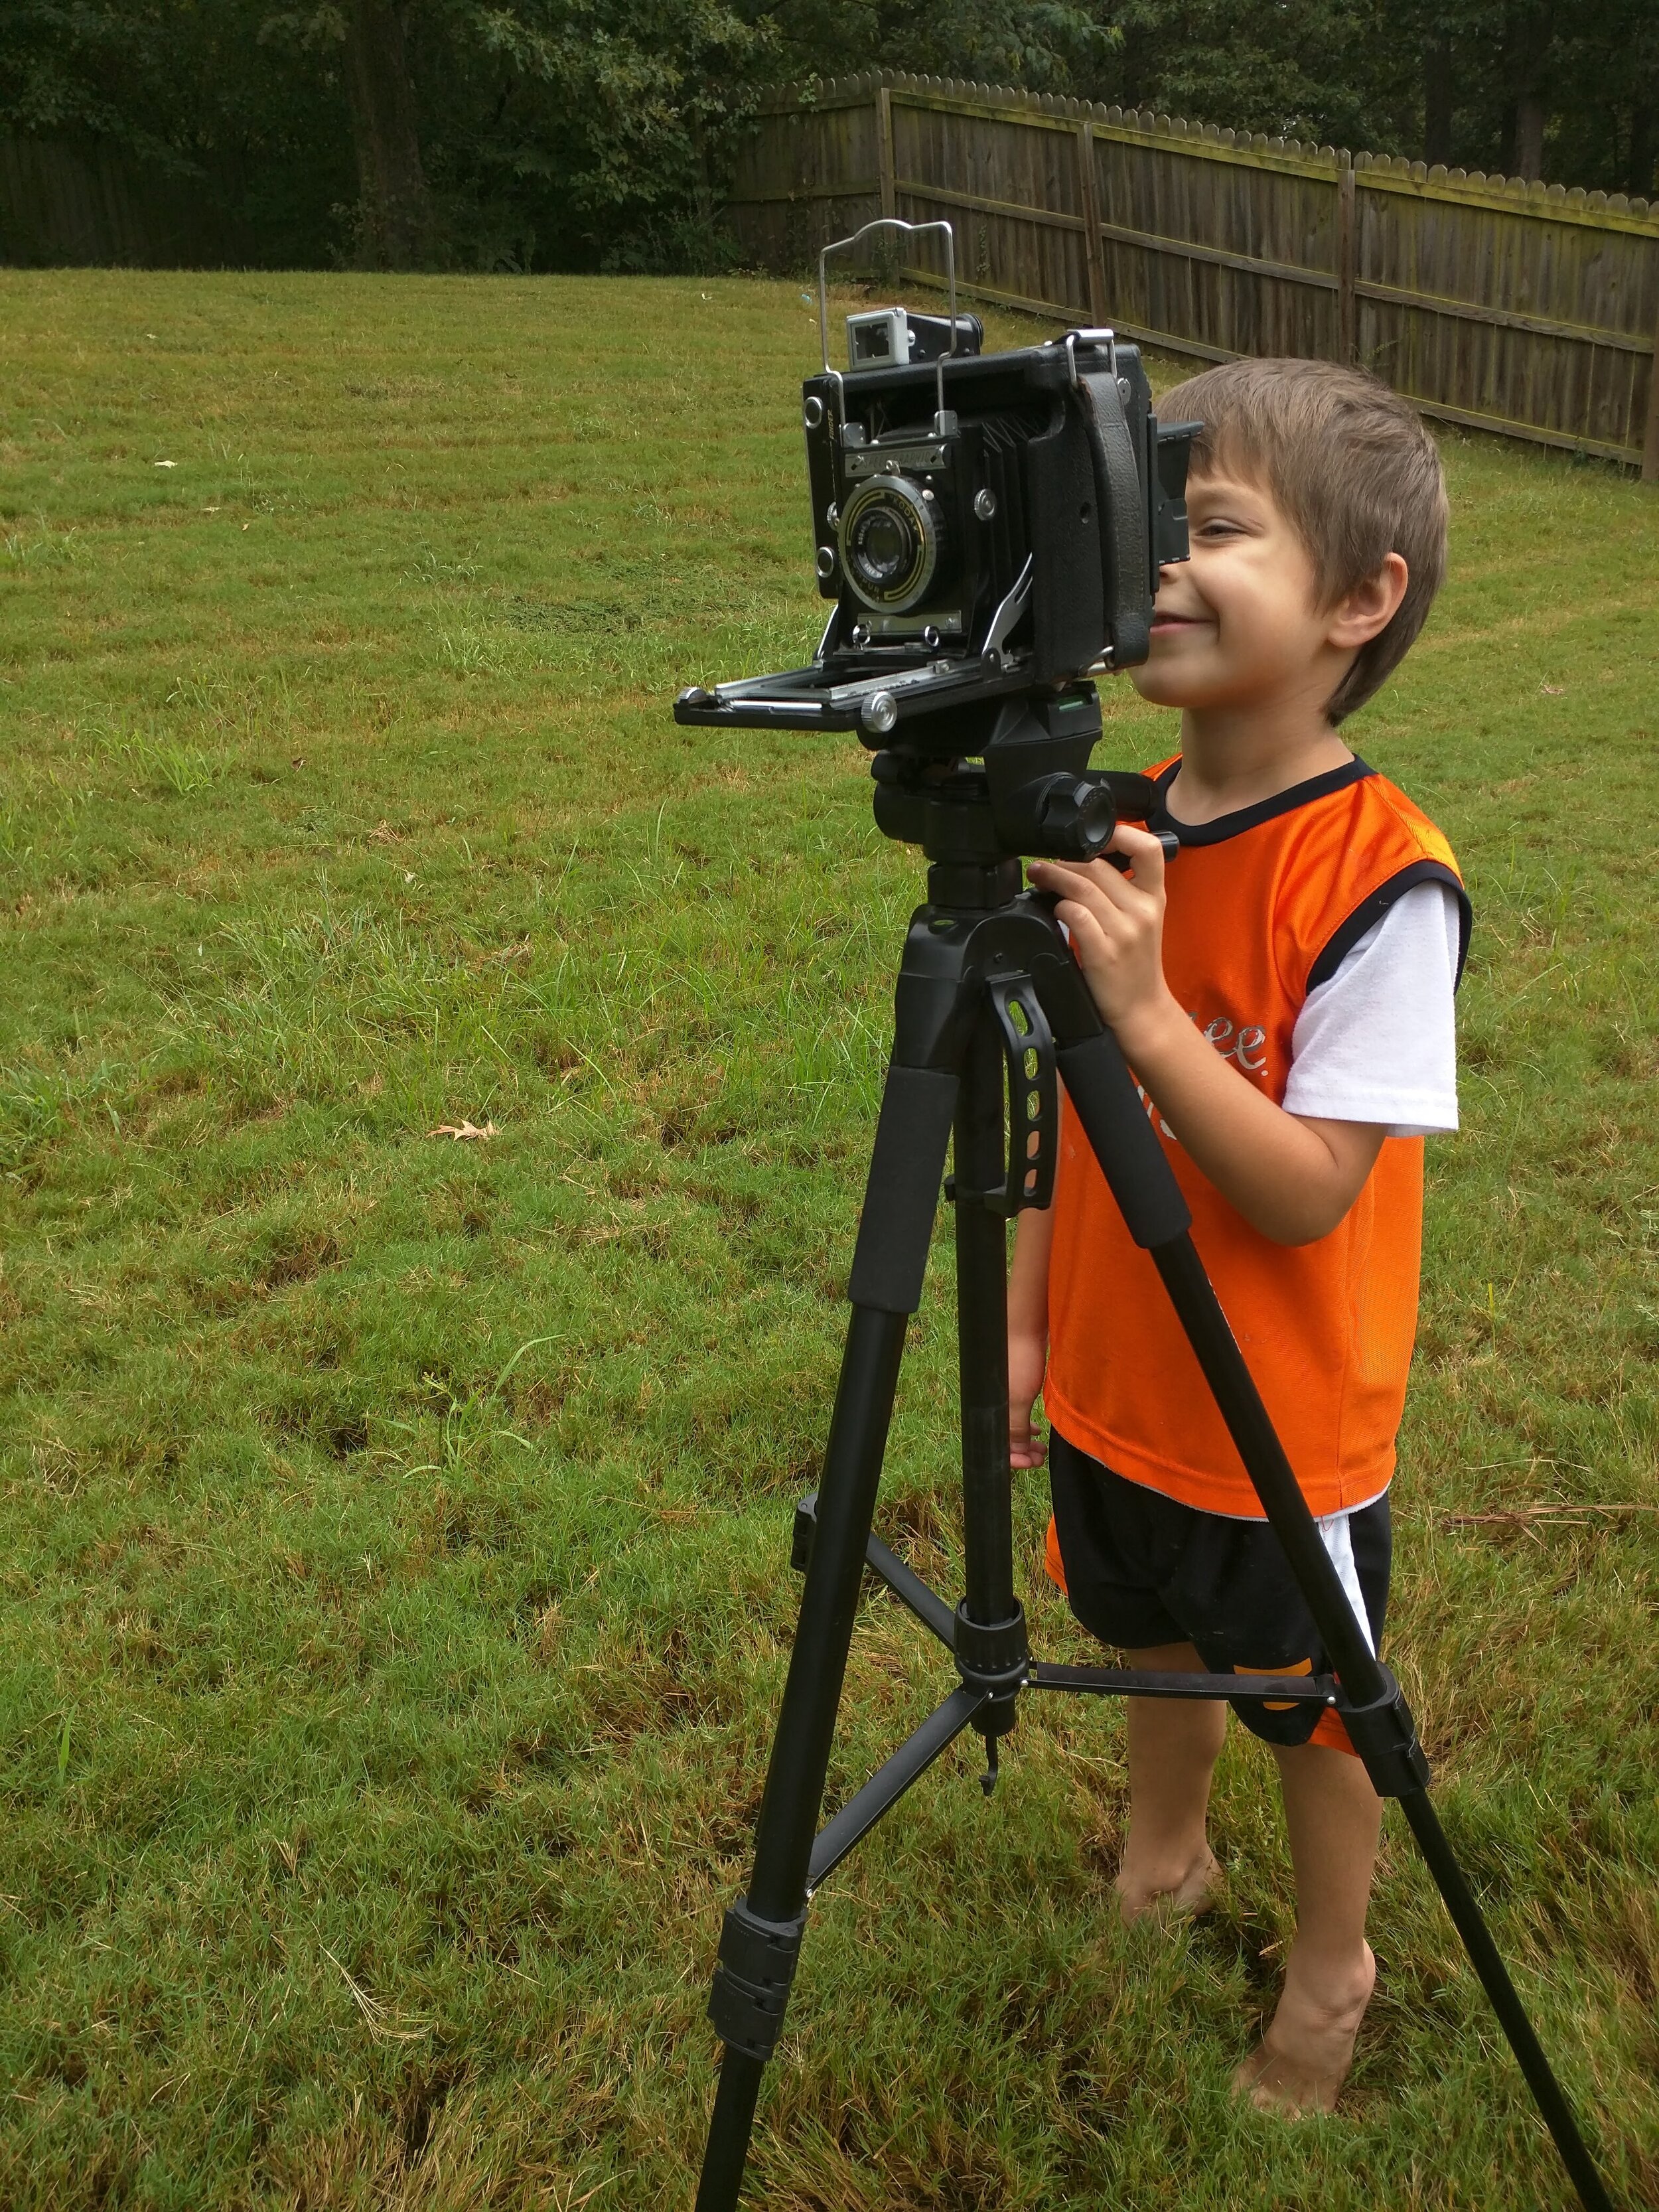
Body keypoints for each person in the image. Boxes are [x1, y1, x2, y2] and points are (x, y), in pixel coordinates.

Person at [1006, 357, 1467, 2116]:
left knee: (1316, 1703)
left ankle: (1329, 1966)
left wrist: (1138, 1012)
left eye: (1208, 528)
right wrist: (1036, 1329)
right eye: (1146, 528)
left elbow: (1303, 1188)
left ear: (1358, 601)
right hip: (1124, 1386)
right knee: (1153, 1636)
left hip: (1283, 1421)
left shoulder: (1377, 878)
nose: (1161, 569)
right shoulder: (1110, 815)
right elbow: (1066, 1118)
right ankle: (1160, 1857)